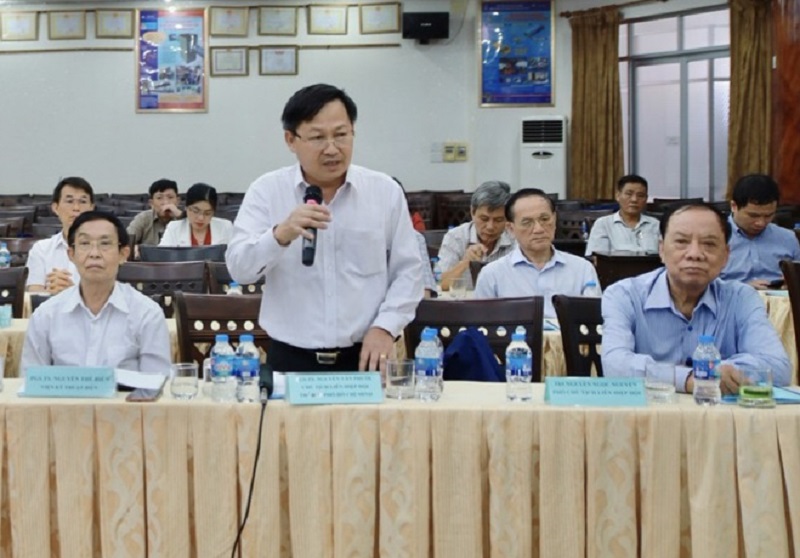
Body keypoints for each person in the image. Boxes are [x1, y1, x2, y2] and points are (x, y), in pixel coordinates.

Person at [226, 83, 423, 372]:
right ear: (291, 140)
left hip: (365, 357)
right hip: (290, 359)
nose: (332, 149)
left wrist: (386, 327)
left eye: (341, 135)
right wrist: (281, 234)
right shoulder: (266, 191)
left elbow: (409, 271)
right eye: (318, 137)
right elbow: (240, 270)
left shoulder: (384, 192)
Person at [602, 203, 790, 394]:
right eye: (681, 241)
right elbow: (615, 366)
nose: (695, 254)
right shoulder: (624, 295)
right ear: (661, 249)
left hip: (720, 413)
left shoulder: (742, 298)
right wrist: (693, 379)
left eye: (709, 244)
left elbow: (778, 367)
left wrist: (727, 371)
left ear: (726, 256)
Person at [21, 211, 172, 375]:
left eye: (105, 243)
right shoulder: (46, 315)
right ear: (71, 254)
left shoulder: (147, 314)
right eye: (85, 243)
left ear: (123, 254)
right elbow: (31, 379)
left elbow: (157, 381)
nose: (94, 253)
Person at [474, 188, 599, 318]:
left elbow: (594, 322)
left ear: (554, 219)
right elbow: (482, 325)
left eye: (544, 219)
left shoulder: (582, 269)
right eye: (527, 223)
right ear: (511, 229)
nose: (538, 229)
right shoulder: (492, 275)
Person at [720, 174, 800, 289]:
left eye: (768, 215)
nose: (761, 223)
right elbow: (702, 285)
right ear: (734, 206)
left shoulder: (788, 238)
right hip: (731, 296)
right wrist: (742, 288)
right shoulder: (714, 236)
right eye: (753, 215)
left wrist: (792, 284)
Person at [437, 181, 516, 290]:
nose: (490, 227)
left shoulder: (515, 238)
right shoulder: (456, 237)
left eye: (498, 220)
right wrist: (465, 262)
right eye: (484, 219)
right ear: (472, 212)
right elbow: (442, 284)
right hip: (465, 300)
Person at [26, 177, 96, 294]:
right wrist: (51, 293)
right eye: (69, 201)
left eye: (83, 202)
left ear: (92, 208)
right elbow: (34, 291)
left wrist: (72, 293)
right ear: (56, 208)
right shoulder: (41, 249)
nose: (76, 208)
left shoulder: (104, 250)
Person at [585, 174, 660, 256]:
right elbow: (597, 258)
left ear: (646, 199)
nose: (634, 199)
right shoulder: (603, 224)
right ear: (618, 196)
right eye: (629, 194)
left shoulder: (655, 225)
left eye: (640, 195)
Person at [159, 182, 232, 246]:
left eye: (207, 213)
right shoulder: (174, 228)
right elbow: (162, 255)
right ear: (186, 208)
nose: (201, 218)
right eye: (196, 211)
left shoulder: (225, 227)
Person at [126, 178, 183, 253]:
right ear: (151, 203)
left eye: (170, 197)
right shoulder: (143, 218)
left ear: (178, 201)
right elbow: (125, 241)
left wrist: (181, 217)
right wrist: (133, 248)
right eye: (159, 198)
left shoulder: (185, 219)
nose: (166, 202)